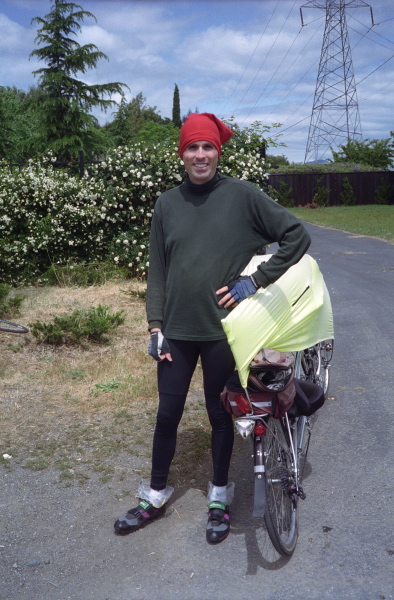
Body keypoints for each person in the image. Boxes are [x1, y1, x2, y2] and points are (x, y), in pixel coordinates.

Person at [114, 113, 311, 544]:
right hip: (178, 333)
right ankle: (155, 494)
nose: (200, 155)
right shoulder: (167, 204)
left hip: (225, 331)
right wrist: (154, 326)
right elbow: (158, 270)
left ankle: (219, 498)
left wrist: (255, 281)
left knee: (220, 416)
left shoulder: (242, 196)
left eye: (207, 147)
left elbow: (296, 235)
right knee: (167, 415)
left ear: (217, 152)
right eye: (192, 148)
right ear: (182, 154)